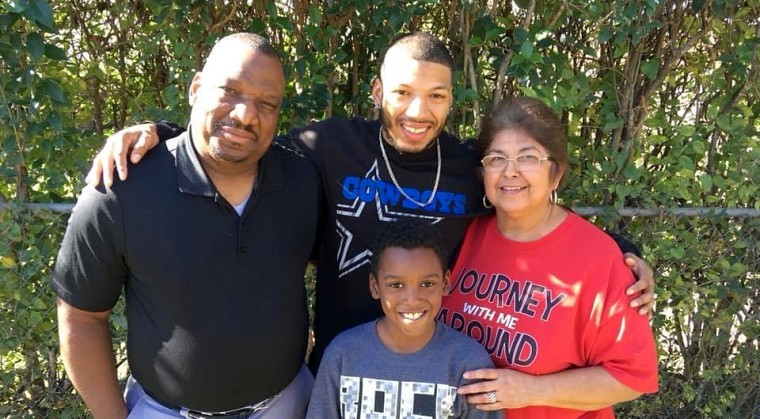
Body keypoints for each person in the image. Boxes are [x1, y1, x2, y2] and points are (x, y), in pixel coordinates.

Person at [85, 32, 656, 372]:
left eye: (435, 96)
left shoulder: (466, 166)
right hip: (338, 365)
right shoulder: (330, 144)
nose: (417, 111)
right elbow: (238, 144)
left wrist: (622, 251)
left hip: (435, 370)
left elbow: (534, 207)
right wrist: (162, 132)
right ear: (379, 91)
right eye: (403, 93)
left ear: (451, 101)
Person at [51, 33, 321, 419]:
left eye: (266, 103)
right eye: (230, 91)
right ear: (197, 88)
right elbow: (80, 317)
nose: (245, 114)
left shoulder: (301, 181)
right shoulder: (122, 190)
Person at [439, 96, 660, 419]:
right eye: (496, 158)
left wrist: (530, 390)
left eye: (528, 157)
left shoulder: (598, 259)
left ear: (555, 170)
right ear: (482, 171)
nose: (511, 171)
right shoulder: (464, 237)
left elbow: (630, 378)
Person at [299, 220, 509, 419]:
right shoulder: (343, 356)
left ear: (446, 282)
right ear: (375, 286)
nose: (412, 299)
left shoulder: (466, 362)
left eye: (427, 283)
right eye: (396, 285)